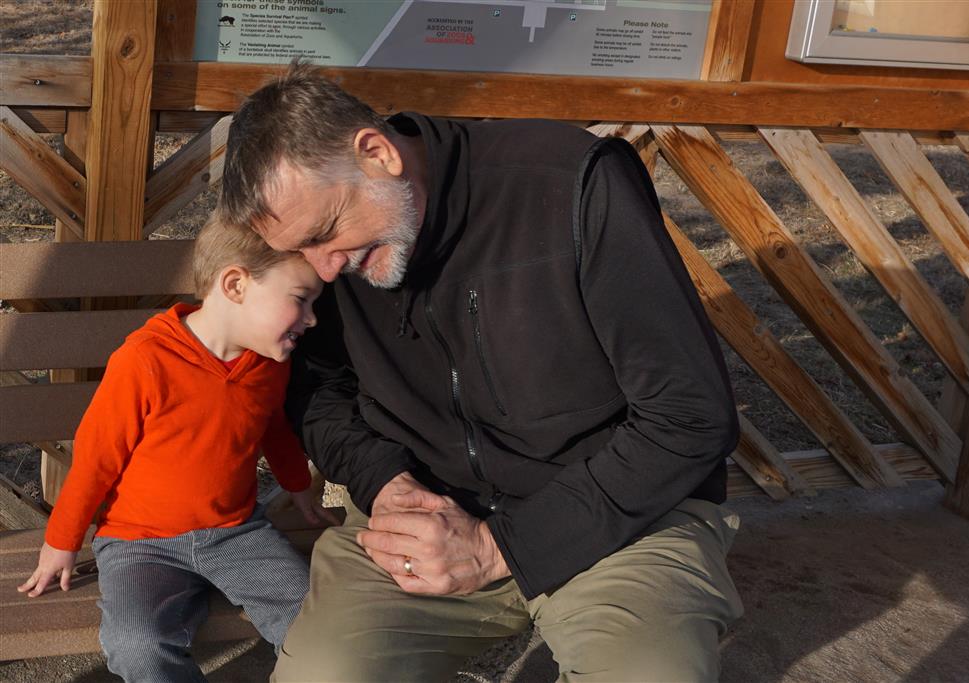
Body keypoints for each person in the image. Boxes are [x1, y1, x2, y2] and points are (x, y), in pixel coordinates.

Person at [220, 62, 744, 682]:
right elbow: (316, 392)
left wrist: (498, 548)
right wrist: (382, 480)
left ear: (377, 154)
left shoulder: (572, 181)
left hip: (617, 522)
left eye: (326, 233)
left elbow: (690, 415)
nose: (326, 270)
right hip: (421, 521)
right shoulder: (336, 256)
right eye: (301, 252)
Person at [18, 215, 338, 682]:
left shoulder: (269, 363)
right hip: (140, 543)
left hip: (237, 532)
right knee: (137, 645)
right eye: (300, 299)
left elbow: (274, 428)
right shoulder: (145, 360)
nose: (312, 318)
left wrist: (298, 486)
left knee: (316, 623)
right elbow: (96, 457)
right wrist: (61, 541)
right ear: (235, 285)